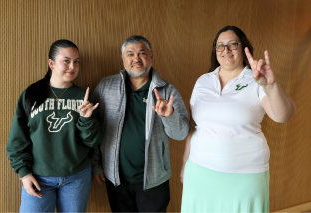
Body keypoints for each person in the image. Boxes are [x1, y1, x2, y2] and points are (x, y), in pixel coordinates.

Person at [180, 26, 295, 213]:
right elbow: (193, 127)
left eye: (233, 44)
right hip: (199, 172)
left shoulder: (257, 80)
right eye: (220, 46)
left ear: (244, 48)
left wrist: (271, 86)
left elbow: (283, 116)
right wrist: (185, 163)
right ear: (215, 50)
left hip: (244, 175)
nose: (226, 50)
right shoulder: (203, 81)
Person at [92, 35, 189, 212]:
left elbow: (181, 134)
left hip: (154, 180)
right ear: (123, 58)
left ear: (151, 56)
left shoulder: (167, 90)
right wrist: (96, 165)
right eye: (130, 54)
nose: (136, 58)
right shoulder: (106, 87)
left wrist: (170, 116)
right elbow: (94, 129)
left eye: (142, 53)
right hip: (116, 180)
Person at [6, 39, 102, 212]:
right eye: (66, 61)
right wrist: (24, 173)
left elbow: (92, 142)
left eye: (76, 61)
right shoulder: (31, 94)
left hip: (76, 176)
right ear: (51, 63)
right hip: (38, 177)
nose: (72, 66)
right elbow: (17, 138)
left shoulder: (84, 97)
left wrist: (87, 119)